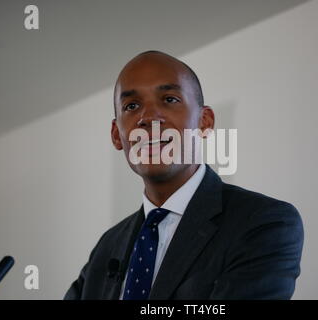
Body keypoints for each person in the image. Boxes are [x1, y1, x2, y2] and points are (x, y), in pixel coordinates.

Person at [64, 50, 304, 300]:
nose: (148, 118)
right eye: (132, 106)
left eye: (169, 99)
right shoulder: (107, 247)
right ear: (116, 135)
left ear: (205, 122)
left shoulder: (263, 223)